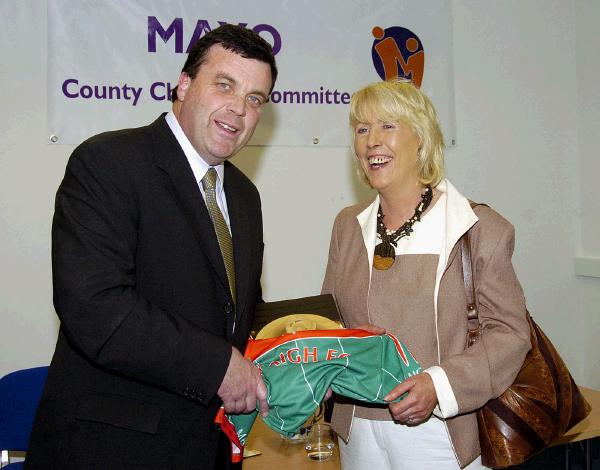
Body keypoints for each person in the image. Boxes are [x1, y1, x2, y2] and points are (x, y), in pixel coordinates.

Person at [26, 24, 277, 469]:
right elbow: (95, 307)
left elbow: (239, 316)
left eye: (255, 99)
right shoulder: (108, 163)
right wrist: (218, 366)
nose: (238, 109)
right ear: (184, 85)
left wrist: (312, 354)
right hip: (112, 452)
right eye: (225, 85)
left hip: (210, 451)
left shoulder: (244, 196)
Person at [321, 79, 531, 470]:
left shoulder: (478, 227)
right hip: (357, 432)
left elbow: (510, 333)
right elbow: (330, 320)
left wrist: (439, 384)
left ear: (421, 137)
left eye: (387, 126)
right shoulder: (347, 226)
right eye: (362, 129)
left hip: (443, 433)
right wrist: (341, 343)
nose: (371, 141)